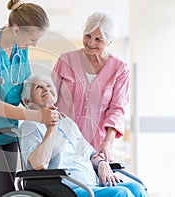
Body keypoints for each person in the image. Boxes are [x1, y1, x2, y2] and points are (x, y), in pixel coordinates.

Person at [0, 1, 60, 196]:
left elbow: (24, 87)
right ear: (16, 30)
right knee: (4, 193)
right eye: (33, 39)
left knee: (11, 191)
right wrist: (38, 116)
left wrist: (46, 105)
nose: (35, 44)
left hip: (9, 131)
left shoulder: (20, 47)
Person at [19, 75, 148, 197]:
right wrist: (51, 127)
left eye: (48, 85)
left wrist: (102, 163)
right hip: (68, 189)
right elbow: (38, 164)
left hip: (93, 183)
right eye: (39, 87)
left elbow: (91, 154)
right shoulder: (29, 126)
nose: (46, 88)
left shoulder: (67, 122)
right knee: (121, 194)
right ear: (28, 101)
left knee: (137, 188)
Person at [51, 12, 130, 162]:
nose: (91, 43)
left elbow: (117, 109)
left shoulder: (120, 68)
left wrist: (108, 143)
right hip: (62, 139)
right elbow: (49, 98)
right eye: (88, 36)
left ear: (109, 42)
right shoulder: (66, 59)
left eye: (98, 39)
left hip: (96, 145)